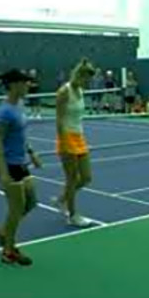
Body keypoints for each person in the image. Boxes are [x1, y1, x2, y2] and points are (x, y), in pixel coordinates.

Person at [0, 69, 42, 266]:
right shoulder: (5, 111)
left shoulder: (19, 105)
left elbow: (20, 136)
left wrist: (31, 152)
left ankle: (3, 232)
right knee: (16, 209)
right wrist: (2, 172)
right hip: (8, 166)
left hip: (21, 163)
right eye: (25, 82)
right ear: (13, 85)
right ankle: (8, 251)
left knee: (31, 202)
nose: (29, 85)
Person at [53, 58, 97, 227]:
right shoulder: (64, 91)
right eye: (87, 79)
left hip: (79, 137)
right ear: (80, 75)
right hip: (66, 136)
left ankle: (61, 199)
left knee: (86, 178)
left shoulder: (81, 91)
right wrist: (63, 142)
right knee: (71, 179)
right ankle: (72, 215)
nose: (89, 82)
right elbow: (58, 119)